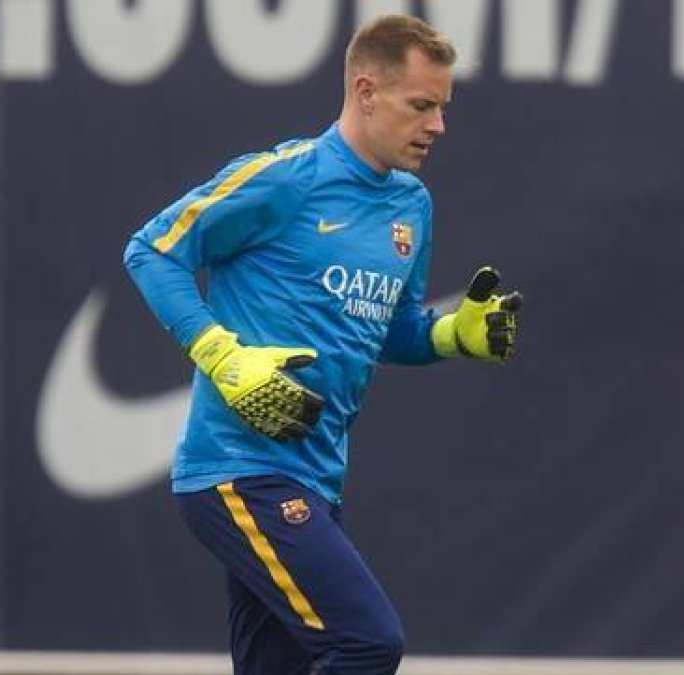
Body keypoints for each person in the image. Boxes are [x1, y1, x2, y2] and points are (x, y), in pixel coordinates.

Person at [123, 15, 521, 675]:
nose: (437, 126)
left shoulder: (412, 207)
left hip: (317, 477)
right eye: (421, 105)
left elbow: (389, 328)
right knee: (367, 641)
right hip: (238, 469)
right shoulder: (286, 178)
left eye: (443, 108)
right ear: (366, 91)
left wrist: (451, 334)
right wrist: (221, 354)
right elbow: (152, 250)